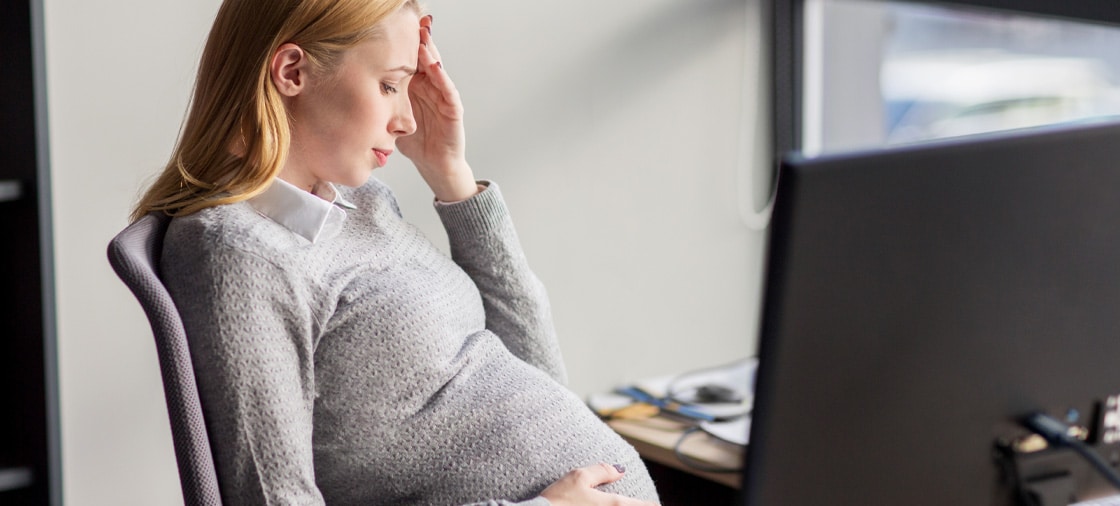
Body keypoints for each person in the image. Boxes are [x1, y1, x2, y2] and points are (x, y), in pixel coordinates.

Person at [130, 0, 662, 505]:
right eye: (389, 85)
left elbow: (539, 375)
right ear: (292, 71)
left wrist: (449, 172)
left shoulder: (357, 202)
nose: (406, 119)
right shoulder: (242, 254)